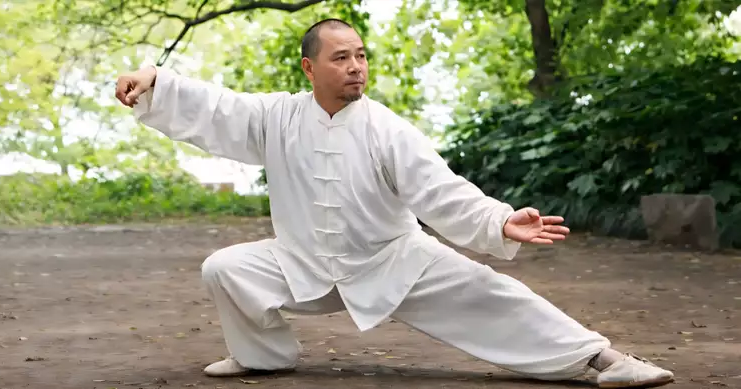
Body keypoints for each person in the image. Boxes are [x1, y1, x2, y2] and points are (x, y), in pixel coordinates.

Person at [114, 18, 675, 389]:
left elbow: (441, 190)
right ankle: (263, 356)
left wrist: (501, 221)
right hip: (303, 261)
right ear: (310, 68)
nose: (355, 66)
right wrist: (155, 79)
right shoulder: (274, 117)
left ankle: (601, 359)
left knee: (497, 295)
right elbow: (216, 107)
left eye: (360, 55)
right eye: (340, 58)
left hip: (394, 261)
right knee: (226, 268)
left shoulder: (387, 127)